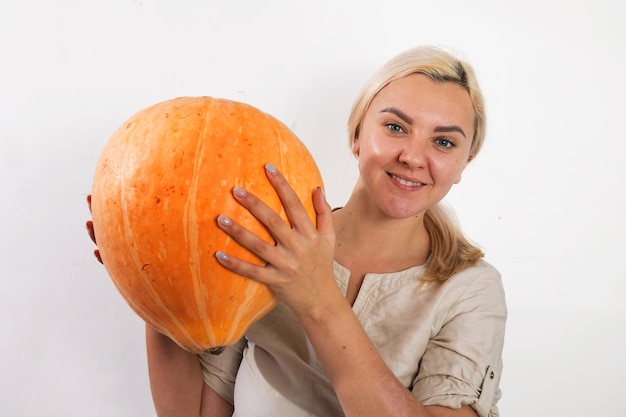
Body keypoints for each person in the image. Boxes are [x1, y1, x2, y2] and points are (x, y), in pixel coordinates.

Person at [87, 45, 506, 417]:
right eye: (395, 127)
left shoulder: (471, 290)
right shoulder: (272, 238)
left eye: (444, 142)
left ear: (464, 163)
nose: (414, 157)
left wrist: (317, 297)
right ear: (358, 134)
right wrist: (153, 271)